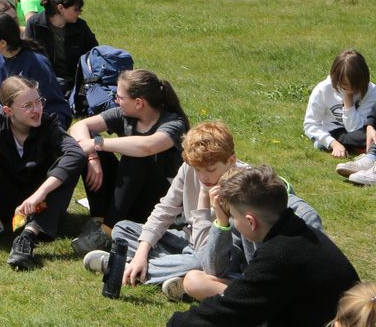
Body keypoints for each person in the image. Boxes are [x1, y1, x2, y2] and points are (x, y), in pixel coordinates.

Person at [83, 120, 317, 301]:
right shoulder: (189, 170)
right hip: (187, 240)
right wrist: (143, 251)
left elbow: (213, 255)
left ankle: (124, 268)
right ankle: (152, 267)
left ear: (231, 161)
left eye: (211, 170)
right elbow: (165, 209)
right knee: (124, 228)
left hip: (223, 253)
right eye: (197, 171)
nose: (204, 177)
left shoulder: (246, 181)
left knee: (200, 264)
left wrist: (205, 202)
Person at [166, 165, 358, 327]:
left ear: (251, 222)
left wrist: (177, 322)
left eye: (233, 216)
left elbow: (232, 309)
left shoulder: (280, 254)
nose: (233, 221)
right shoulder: (299, 233)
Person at [0, 76, 86, 270]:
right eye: (28, 105)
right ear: (8, 111)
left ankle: (27, 238)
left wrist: (40, 194)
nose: (37, 110)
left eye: (39, 102)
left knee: (67, 167)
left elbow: (76, 153)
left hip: (37, 204)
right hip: (1, 197)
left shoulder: (50, 126)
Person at [68, 69, 189, 255]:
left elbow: (147, 146)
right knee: (92, 147)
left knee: (133, 154)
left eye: (119, 97)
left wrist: (96, 143)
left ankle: (107, 232)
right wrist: (92, 156)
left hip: (160, 205)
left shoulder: (174, 123)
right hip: (128, 196)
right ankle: (99, 220)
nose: (116, 100)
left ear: (139, 103)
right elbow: (79, 126)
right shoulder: (123, 115)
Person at [0, 12, 72, 128]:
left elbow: (55, 105)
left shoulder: (36, 63)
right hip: (1, 124)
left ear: (2, 43)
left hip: (27, 124)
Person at [24, 0, 97, 97]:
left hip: (76, 81)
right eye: (76, 9)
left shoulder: (80, 26)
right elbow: (27, 56)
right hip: (46, 80)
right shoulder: (35, 24)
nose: (79, 13)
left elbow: (94, 53)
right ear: (60, 8)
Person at [304, 49, 376, 157]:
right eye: (344, 85)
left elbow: (355, 128)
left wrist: (348, 99)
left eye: (355, 86)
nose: (351, 89)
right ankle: (329, 143)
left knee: (367, 135)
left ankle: (330, 145)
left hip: (359, 132)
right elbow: (311, 124)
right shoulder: (322, 89)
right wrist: (333, 143)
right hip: (333, 130)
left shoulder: (371, 91)